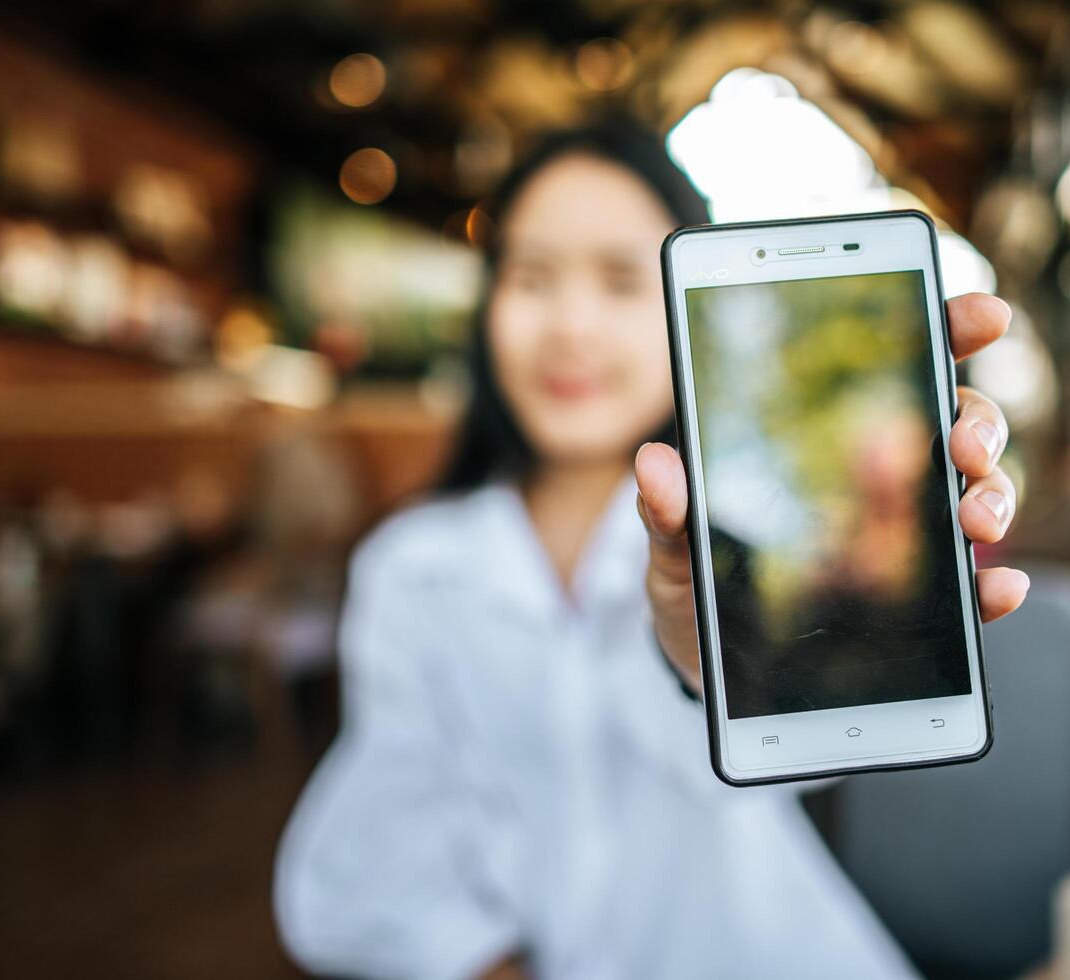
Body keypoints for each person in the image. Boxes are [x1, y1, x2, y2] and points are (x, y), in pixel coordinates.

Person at [273, 119, 1029, 980]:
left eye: (622, 280)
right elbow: (382, 842)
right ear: (488, 306)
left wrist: (704, 669)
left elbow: (784, 772)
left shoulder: (755, 537)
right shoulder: (410, 567)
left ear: (686, 314)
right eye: (532, 277)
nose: (570, 326)